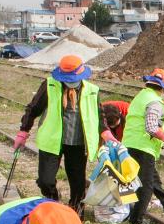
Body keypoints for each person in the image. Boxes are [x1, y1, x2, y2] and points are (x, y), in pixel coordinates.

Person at [15, 55, 109, 213]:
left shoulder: (92, 90)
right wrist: (23, 131)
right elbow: (33, 109)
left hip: (78, 142)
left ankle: (76, 212)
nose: (70, 81)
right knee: (45, 180)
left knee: (77, 181)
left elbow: (99, 115)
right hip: (52, 141)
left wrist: (106, 133)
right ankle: (53, 201)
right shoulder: (49, 85)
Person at [121, 68, 164, 224]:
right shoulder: (154, 102)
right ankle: (136, 221)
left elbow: (142, 125)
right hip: (143, 147)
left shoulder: (141, 96)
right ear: (162, 88)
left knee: (153, 179)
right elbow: (151, 127)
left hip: (131, 143)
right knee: (146, 187)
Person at [101, 100, 164, 212]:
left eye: (117, 124)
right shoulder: (99, 115)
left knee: (147, 177)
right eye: (112, 127)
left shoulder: (129, 110)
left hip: (136, 144)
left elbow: (150, 125)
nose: (116, 127)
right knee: (148, 177)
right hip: (125, 145)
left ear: (121, 114)